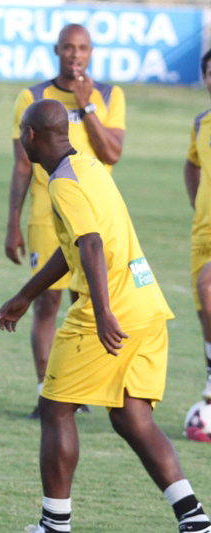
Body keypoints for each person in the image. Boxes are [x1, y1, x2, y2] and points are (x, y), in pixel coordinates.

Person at [0, 99, 210, 533]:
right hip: (147, 303)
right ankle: (194, 518)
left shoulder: (61, 184)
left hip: (108, 311)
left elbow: (90, 244)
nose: (20, 139)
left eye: (21, 132)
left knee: (55, 410)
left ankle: (55, 524)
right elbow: (72, 245)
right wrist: (26, 294)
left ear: (31, 136)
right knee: (132, 417)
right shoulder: (88, 166)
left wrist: (104, 312)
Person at [5, 23, 125, 418]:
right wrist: (12, 222)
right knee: (47, 303)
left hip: (95, 213)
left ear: (92, 52)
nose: (76, 55)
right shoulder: (33, 96)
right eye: (69, 48)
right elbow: (23, 164)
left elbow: (112, 153)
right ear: (57, 50)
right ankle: (47, 391)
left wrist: (85, 105)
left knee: (89, 300)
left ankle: (85, 387)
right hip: (47, 210)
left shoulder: (108, 96)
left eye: (84, 48)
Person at [184, 49, 211, 401]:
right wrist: (197, 205)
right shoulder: (201, 122)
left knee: (208, 288)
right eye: (210, 72)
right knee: (203, 309)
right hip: (203, 231)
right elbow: (191, 164)